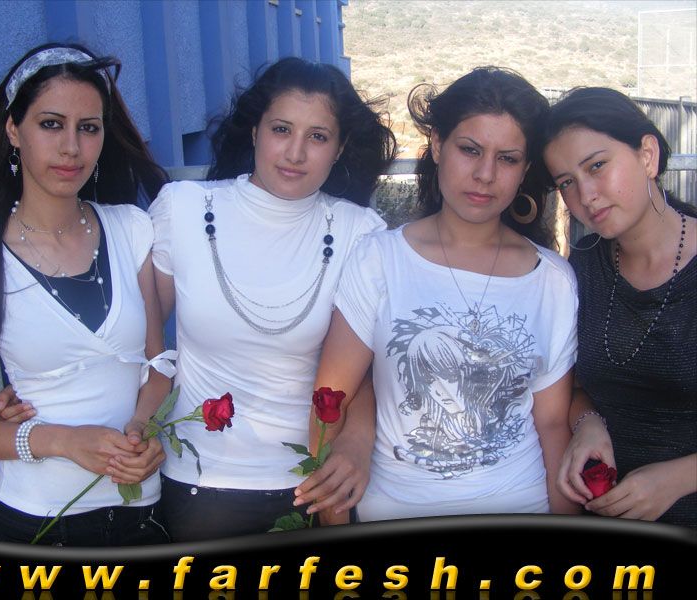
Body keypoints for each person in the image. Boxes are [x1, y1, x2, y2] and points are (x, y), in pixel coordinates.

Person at [301, 67, 580, 521]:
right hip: (396, 512)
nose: (485, 174)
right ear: (436, 145)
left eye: (508, 159)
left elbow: (551, 424)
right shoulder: (380, 259)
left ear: (526, 169)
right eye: (470, 150)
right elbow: (332, 400)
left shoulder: (552, 279)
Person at [0, 42, 173, 545]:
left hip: (140, 510)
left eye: (89, 127)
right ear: (13, 130)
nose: (71, 147)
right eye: (50, 124)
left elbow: (157, 366)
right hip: (38, 521)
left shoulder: (131, 229)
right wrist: (63, 441)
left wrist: (143, 428)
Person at [147, 56, 397, 540]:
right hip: (199, 484)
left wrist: (358, 441)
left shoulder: (359, 232)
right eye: (281, 129)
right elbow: (139, 341)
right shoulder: (183, 209)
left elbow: (370, 369)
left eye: (318, 137)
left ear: (340, 148)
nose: (295, 152)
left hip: (314, 486)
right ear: (255, 131)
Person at [542, 87, 696, 528]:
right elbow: (573, 386)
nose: (586, 195)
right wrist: (589, 423)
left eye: (597, 166)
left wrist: (678, 479)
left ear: (647, 155)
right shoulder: (584, 268)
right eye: (566, 182)